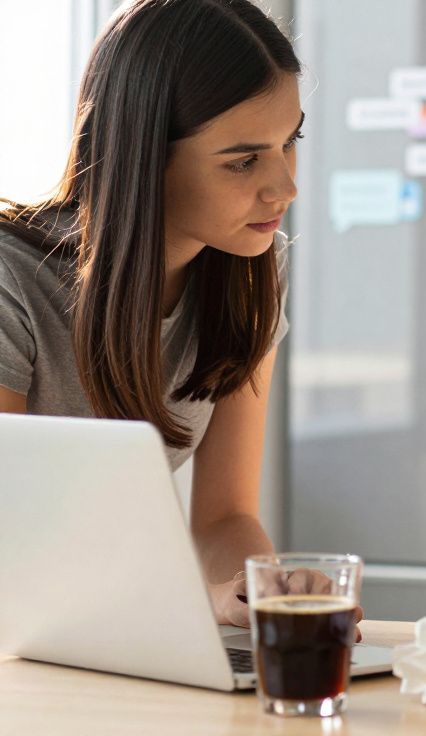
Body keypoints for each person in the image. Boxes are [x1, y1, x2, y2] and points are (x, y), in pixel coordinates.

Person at [0, 0, 321, 630]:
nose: (285, 187)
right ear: (145, 155)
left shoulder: (253, 272)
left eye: (292, 141)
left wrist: (262, 598)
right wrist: (185, 605)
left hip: (98, 632)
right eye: (243, 160)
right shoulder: (13, 285)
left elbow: (224, 518)